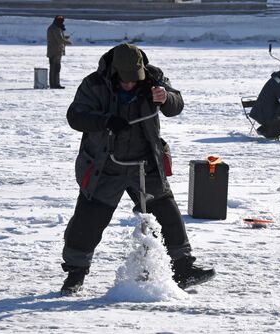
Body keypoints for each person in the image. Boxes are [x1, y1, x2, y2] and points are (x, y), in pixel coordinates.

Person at [60, 43, 215, 295]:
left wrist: (166, 98)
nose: (131, 84)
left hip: (145, 162)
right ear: (114, 72)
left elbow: (177, 105)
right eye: (125, 81)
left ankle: (184, 269)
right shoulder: (94, 84)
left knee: (167, 213)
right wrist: (105, 121)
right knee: (88, 221)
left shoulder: (154, 78)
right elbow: (75, 116)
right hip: (105, 165)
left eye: (135, 80)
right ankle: (75, 274)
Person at [47, 15, 72, 89]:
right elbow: (59, 40)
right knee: (55, 68)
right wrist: (67, 42)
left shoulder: (55, 27)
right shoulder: (55, 29)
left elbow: (59, 38)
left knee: (54, 68)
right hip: (55, 52)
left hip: (55, 51)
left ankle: (54, 84)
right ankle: (55, 84)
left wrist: (65, 38)